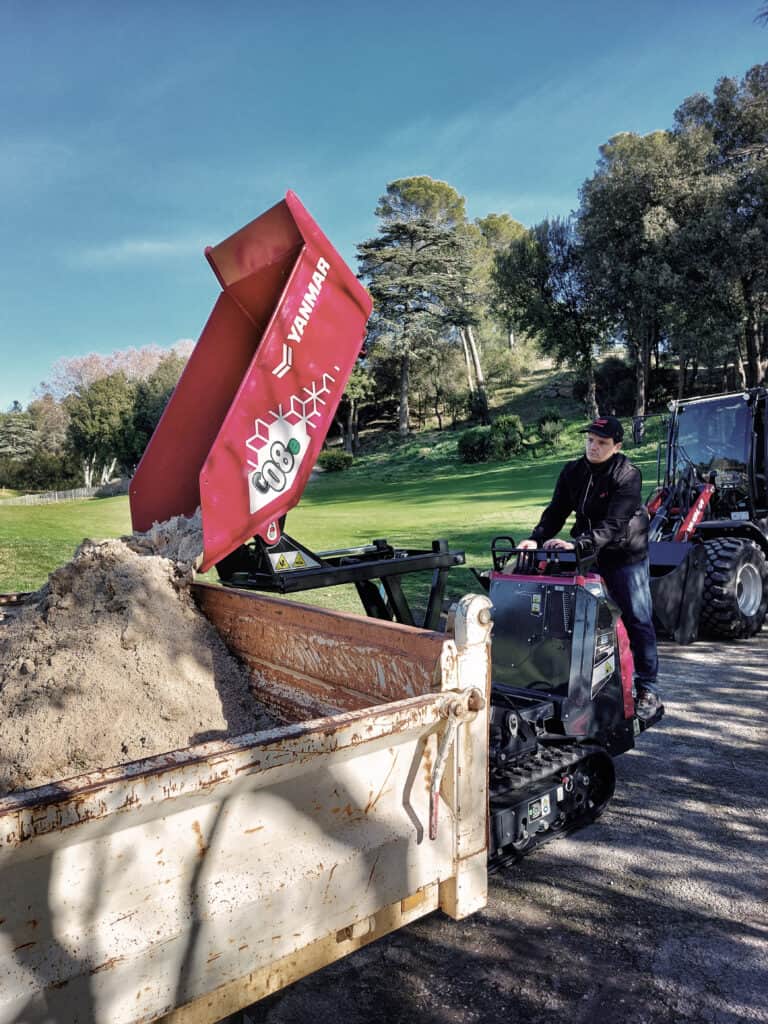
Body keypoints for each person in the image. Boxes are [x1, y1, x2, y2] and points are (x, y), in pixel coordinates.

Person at [518, 415, 661, 718]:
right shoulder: (573, 471)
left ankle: (648, 687)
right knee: (571, 617)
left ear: (617, 446)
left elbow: (614, 524)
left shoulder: (627, 474)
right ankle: (573, 682)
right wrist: (535, 538)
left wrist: (577, 544)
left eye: (602, 443)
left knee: (637, 618)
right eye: (590, 441)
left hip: (624, 554)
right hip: (584, 553)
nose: (593, 447)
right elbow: (556, 512)